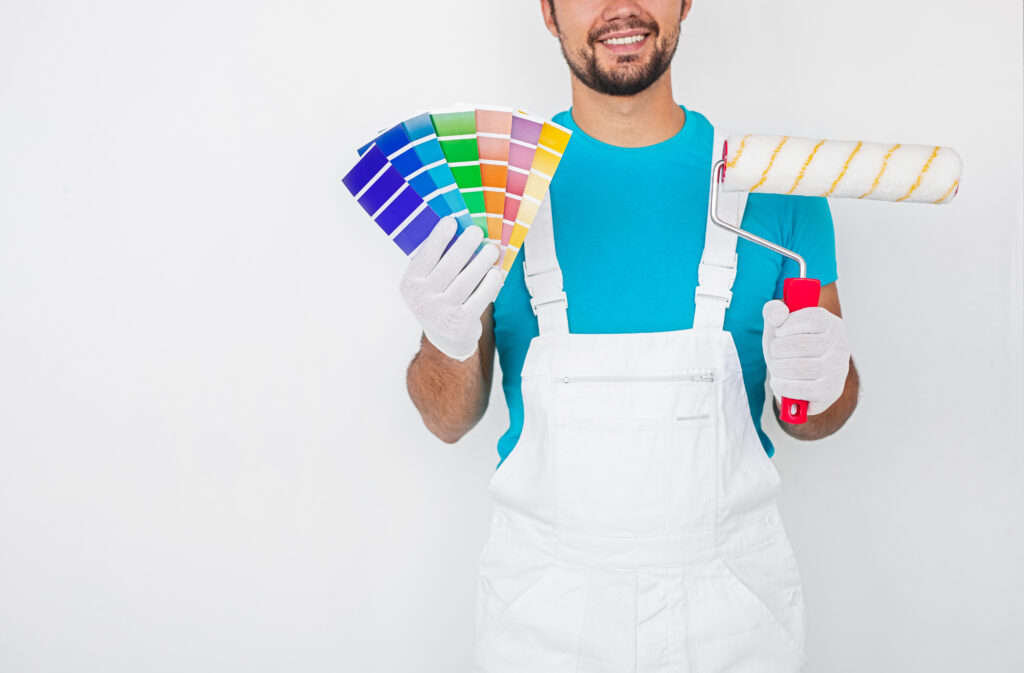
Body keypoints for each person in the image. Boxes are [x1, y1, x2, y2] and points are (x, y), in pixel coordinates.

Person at [400, 1, 859, 670]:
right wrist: (445, 336)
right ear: (548, 13)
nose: (621, 6)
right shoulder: (490, 192)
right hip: (543, 615)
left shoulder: (778, 186)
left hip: (732, 617)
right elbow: (447, 419)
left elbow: (820, 418)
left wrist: (823, 381)